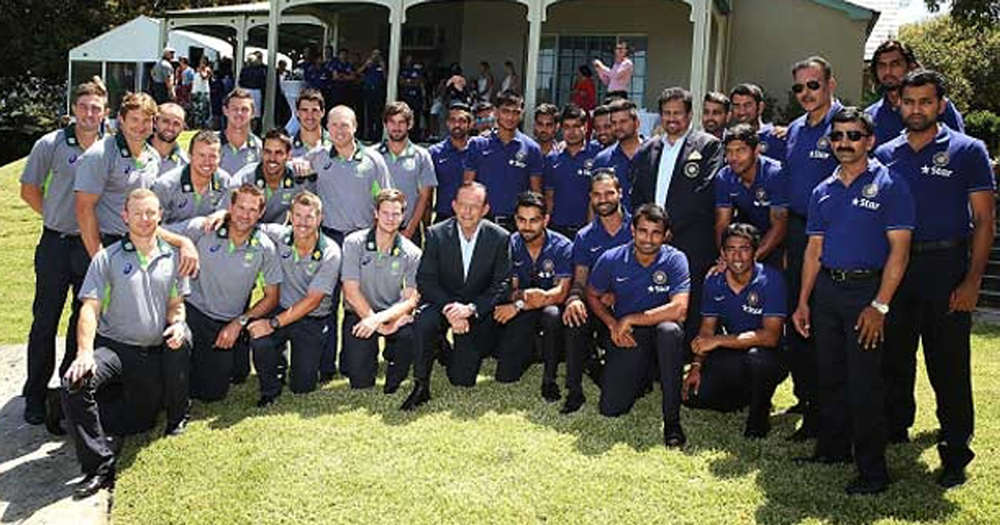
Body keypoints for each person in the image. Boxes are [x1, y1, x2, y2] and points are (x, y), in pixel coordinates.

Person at [875, 70, 995, 488]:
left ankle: (956, 450)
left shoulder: (968, 150)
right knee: (894, 360)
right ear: (900, 104)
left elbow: (983, 220)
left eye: (925, 101)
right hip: (896, 269)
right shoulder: (885, 153)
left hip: (946, 267)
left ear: (941, 104)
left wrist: (973, 280)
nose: (916, 109)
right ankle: (895, 430)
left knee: (948, 366)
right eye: (909, 102)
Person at [791, 106, 914, 495]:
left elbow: (900, 252)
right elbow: (813, 251)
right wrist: (803, 302)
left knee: (865, 384)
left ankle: (873, 471)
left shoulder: (892, 185)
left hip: (867, 293)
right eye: (838, 136)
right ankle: (833, 449)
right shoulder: (822, 191)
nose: (844, 143)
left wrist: (879, 305)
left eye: (853, 136)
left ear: (870, 141)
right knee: (830, 376)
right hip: (827, 292)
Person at [61, 189, 190, 499]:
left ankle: (63, 411)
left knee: (140, 422)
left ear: (160, 216)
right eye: (138, 213)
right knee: (75, 382)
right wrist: (84, 353)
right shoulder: (107, 258)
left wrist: (178, 323)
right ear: (125, 217)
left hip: (149, 354)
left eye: (150, 213)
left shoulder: (172, 258)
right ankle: (99, 467)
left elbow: (176, 303)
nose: (144, 219)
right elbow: (89, 309)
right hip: (113, 348)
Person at [20, 78, 108, 425]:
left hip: (89, 246)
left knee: (81, 319)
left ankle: (66, 388)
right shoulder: (50, 144)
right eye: (84, 106)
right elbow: (29, 190)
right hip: (56, 243)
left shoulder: (111, 146)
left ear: (105, 112)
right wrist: (55, 215)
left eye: (97, 108)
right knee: (45, 320)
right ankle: (35, 394)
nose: (90, 113)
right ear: (74, 108)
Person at [399, 182, 510, 410]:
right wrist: (450, 309)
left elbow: (502, 285)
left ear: (485, 209)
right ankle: (421, 386)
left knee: (462, 380)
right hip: (442, 305)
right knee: (424, 321)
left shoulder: (500, 237)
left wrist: (470, 309)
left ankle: (442, 346)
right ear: (453, 205)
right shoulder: (436, 234)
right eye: (462, 205)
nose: (467, 212)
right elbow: (426, 280)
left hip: (474, 310)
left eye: (475, 206)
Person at [167, 184, 282, 401]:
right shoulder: (205, 227)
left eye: (252, 210)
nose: (245, 215)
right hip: (193, 311)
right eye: (241, 208)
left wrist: (239, 323)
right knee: (176, 356)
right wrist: (184, 242)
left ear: (261, 213)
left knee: (213, 393)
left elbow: (271, 297)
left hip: (227, 322)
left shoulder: (265, 247)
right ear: (230, 207)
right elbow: (157, 230)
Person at [587, 204, 689, 446]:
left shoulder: (676, 259)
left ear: (666, 235)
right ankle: (624, 371)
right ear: (632, 231)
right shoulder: (611, 259)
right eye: (643, 231)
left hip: (660, 332)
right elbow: (592, 295)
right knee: (611, 408)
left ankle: (672, 420)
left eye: (656, 233)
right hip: (629, 335)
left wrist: (631, 318)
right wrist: (612, 323)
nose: (648, 239)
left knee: (670, 330)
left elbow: (679, 309)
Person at [304, 105, 393, 380]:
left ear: (355, 127)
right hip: (329, 238)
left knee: (357, 300)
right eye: (334, 125)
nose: (339, 131)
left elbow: (386, 198)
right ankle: (325, 365)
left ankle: (353, 358)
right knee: (327, 303)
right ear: (326, 128)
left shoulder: (373, 159)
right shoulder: (317, 158)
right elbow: (303, 194)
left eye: (345, 125)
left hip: (361, 240)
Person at [631, 87, 724, 348]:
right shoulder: (647, 148)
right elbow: (637, 194)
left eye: (678, 113)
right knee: (652, 298)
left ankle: (685, 359)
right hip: (651, 242)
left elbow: (703, 193)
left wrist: (667, 228)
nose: (672, 119)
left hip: (690, 241)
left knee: (688, 304)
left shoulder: (709, 146)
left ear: (689, 115)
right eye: (667, 113)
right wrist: (647, 230)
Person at [782, 56, 843, 440]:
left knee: (826, 325)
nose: (806, 93)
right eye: (799, 87)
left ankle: (829, 409)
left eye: (813, 85)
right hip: (798, 232)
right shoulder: (793, 130)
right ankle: (806, 399)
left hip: (835, 237)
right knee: (798, 319)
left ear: (830, 85)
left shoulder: (844, 129)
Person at [682, 223, 788, 438]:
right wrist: (695, 367)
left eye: (744, 249)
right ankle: (745, 395)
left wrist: (719, 340)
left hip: (768, 356)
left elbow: (771, 337)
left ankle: (759, 417)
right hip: (733, 353)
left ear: (755, 252)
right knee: (696, 399)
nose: (737, 256)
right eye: (731, 249)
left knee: (758, 358)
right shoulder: (713, 280)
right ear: (722, 253)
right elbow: (706, 331)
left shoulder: (772, 280)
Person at [249, 191, 341, 406]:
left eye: (310, 217)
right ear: (290, 215)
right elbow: (247, 222)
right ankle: (270, 387)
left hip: (311, 318)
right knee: (259, 337)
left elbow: (312, 301)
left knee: (302, 387)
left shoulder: (331, 252)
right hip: (281, 308)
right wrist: (218, 217)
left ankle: (298, 365)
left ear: (320, 218)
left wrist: (272, 323)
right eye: (298, 215)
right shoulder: (279, 235)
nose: (303, 222)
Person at [560, 170, 633, 414]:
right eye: (597, 195)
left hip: (631, 310)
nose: (603, 199)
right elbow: (580, 279)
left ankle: (599, 363)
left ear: (620, 193)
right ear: (591, 197)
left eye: (609, 193)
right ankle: (574, 390)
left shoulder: (638, 228)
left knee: (629, 383)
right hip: (596, 304)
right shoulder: (584, 236)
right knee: (574, 317)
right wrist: (573, 298)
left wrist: (617, 294)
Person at [340, 189, 421, 392]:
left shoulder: (412, 252)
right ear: (375, 213)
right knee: (360, 382)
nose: (390, 218)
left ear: (403, 216)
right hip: (358, 313)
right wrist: (373, 321)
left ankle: (394, 376)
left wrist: (382, 320)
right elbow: (350, 291)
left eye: (396, 213)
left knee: (409, 331)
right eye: (385, 212)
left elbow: (411, 299)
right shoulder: (353, 243)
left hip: (390, 314)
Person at [494, 192, 572, 395]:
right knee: (505, 375)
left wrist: (521, 302)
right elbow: (509, 290)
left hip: (550, 310)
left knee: (552, 313)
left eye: (534, 220)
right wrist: (524, 298)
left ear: (545, 220)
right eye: (521, 220)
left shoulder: (563, 247)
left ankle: (550, 378)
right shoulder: (509, 245)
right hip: (523, 311)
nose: (527, 226)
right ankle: (533, 350)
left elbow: (560, 294)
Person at [75, 92, 162, 253]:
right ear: (121, 120)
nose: (140, 126)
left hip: (139, 245)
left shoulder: (154, 157)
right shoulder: (100, 155)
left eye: (146, 120)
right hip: (105, 244)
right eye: (134, 119)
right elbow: (83, 208)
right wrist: (98, 258)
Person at [463, 89, 544, 232]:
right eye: (506, 111)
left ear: (522, 114)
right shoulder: (478, 144)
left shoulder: (532, 149)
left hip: (517, 225)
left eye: (516, 112)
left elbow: (535, 194)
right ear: (495, 112)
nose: (510, 117)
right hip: (483, 223)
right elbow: (468, 187)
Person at [713, 124, 789, 268]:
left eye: (741, 151)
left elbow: (779, 226)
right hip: (748, 238)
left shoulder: (775, 174)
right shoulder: (724, 177)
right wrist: (725, 257)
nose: (734, 158)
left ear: (756, 151)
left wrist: (750, 260)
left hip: (778, 242)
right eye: (729, 152)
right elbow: (722, 223)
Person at [866, 40, 964, 147]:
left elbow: (960, 152)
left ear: (911, 67)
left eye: (895, 64)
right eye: (882, 66)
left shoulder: (939, 109)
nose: (888, 72)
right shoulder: (870, 116)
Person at [373, 102, 437, 244]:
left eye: (401, 122)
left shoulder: (422, 156)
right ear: (385, 124)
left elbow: (424, 197)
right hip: (376, 230)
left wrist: (410, 230)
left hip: (408, 232)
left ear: (410, 124)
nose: (396, 127)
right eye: (392, 122)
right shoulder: (372, 154)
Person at [543, 104, 603, 239]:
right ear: (561, 129)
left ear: (586, 127)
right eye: (567, 127)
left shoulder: (597, 155)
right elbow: (549, 198)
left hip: (587, 230)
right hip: (557, 230)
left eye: (576, 126)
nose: (571, 132)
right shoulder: (552, 159)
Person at [232, 128, 315, 224]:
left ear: (289, 156)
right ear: (261, 153)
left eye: (279, 153)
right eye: (268, 152)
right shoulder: (244, 179)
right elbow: (227, 212)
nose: (272, 158)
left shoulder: (301, 178)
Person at [152, 130, 231, 224]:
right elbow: (153, 228)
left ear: (220, 158)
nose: (207, 162)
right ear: (190, 156)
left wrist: (223, 213)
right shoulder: (166, 185)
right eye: (201, 155)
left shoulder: (225, 182)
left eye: (212, 156)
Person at [593, 99, 643, 211]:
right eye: (614, 123)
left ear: (637, 123)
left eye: (623, 122)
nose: (618, 127)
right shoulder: (602, 160)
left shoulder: (654, 154)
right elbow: (594, 202)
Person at [430, 102, 473, 223]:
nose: (457, 125)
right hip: (444, 217)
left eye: (462, 121)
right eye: (453, 120)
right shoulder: (435, 153)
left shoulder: (479, 150)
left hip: (472, 218)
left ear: (470, 124)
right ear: (447, 123)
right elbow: (427, 193)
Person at [728, 83, 787, 162]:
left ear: (760, 107)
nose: (742, 111)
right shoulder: (728, 139)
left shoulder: (776, 137)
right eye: (736, 106)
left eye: (747, 105)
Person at [218, 88, 264, 175]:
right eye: (235, 109)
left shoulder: (259, 148)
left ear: (253, 113)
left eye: (244, 109)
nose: (239, 113)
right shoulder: (213, 144)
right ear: (225, 110)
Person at [290, 89, 330, 158]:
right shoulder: (287, 146)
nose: (310, 116)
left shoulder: (336, 144)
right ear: (297, 113)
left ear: (323, 112)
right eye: (304, 110)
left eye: (314, 110)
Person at [150, 103, 188, 175]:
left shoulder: (185, 164)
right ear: (155, 122)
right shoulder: (136, 154)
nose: (170, 128)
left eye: (176, 123)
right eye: (166, 121)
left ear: (182, 128)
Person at [358, 49, 387, 141]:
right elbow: (358, 72)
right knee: (368, 114)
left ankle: (378, 135)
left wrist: (383, 67)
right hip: (369, 91)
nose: (375, 56)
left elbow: (386, 77)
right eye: (374, 54)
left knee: (378, 114)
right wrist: (366, 64)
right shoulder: (369, 65)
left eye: (377, 55)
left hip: (378, 92)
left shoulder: (381, 65)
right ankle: (369, 134)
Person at [399, 55, 426, 139]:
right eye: (407, 60)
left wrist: (409, 81)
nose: (409, 61)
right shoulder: (403, 71)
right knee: (405, 116)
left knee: (416, 117)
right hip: (406, 97)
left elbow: (419, 82)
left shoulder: (417, 71)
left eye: (410, 60)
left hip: (416, 97)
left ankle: (416, 136)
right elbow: (401, 82)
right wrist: (411, 82)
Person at [190, 57, 213, 129]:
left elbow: (204, 77)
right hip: (195, 92)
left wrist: (200, 70)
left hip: (203, 93)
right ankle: (196, 125)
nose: (201, 63)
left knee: (202, 111)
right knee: (195, 111)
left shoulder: (207, 70)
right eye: (201, 61)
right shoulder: (197, 70)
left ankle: (201, 126)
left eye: (203, 62)